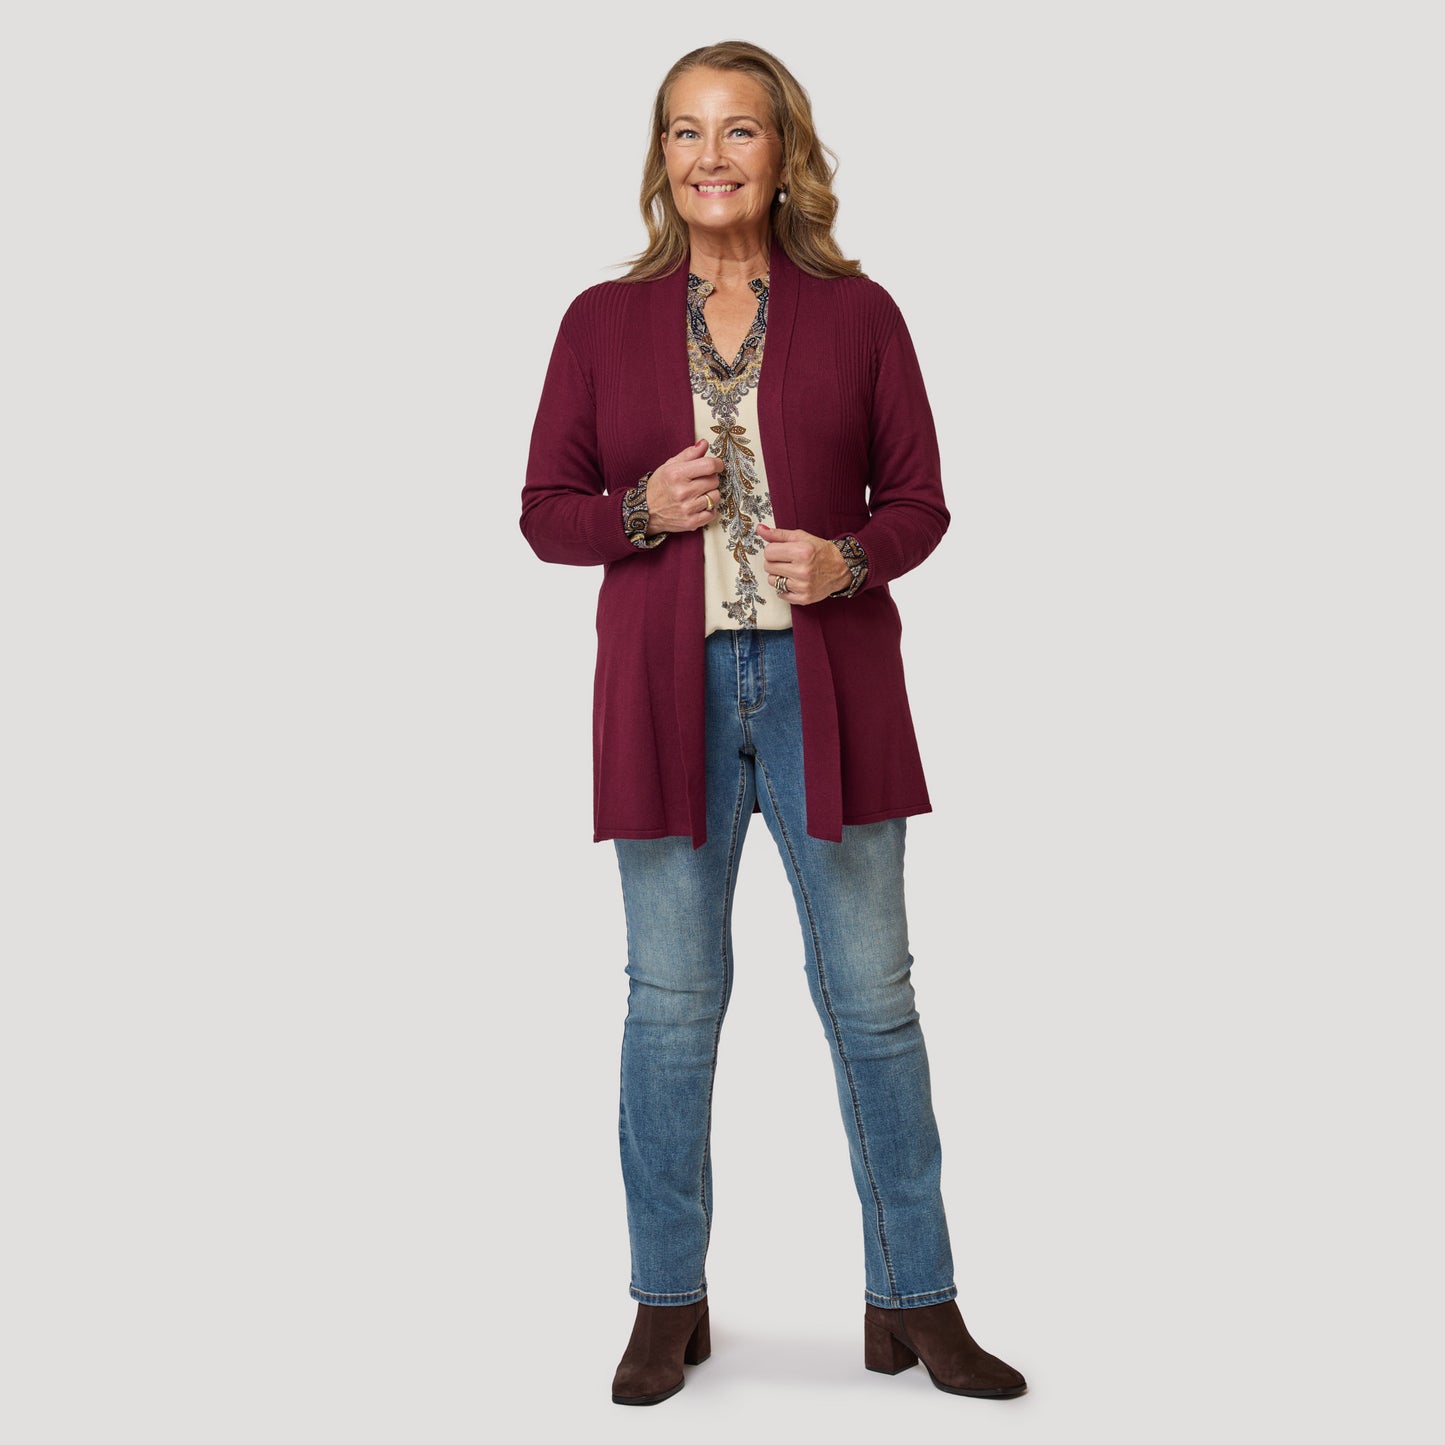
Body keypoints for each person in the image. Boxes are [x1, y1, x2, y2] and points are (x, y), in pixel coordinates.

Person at [520, 40, 1026, 1408]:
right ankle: (665, 1300)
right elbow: (545, 512)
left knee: (874, 1001)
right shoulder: (599, 321)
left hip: (829, 692)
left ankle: (914, 1298)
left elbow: (918, 500)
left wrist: (847, 561)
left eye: (737, 130)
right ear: (660, 158)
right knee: (670, 1008)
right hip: (662, 695)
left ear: (783, 151)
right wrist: (639, 512)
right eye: (685, 131)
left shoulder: (860, 315)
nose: (710, 156)